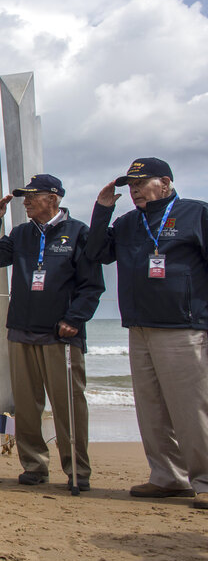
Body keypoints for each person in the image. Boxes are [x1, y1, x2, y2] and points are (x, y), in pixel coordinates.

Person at [86, 157, 208, 510]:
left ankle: (204, 480)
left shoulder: (194, 213)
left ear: (165, 184)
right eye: (131, 185)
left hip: (183, 327)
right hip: (139, 327)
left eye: (141, 182)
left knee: (191, 409)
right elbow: (96, 253)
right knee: (152, 409)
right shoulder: (127, 223)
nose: (135, 189)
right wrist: (103, 210)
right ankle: (168, 477)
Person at [0, 174, 105, 491]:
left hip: (61, 334)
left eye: (33, 195)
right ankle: (34, 466)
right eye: (24, 196)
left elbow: (91, 286)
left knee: (68, 406)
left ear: (54, 197)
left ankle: (77, 471)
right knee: (26, 407)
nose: (26, 201)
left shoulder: (79, 233)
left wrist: (75, 318)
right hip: (21, 331)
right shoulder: (21, 234)